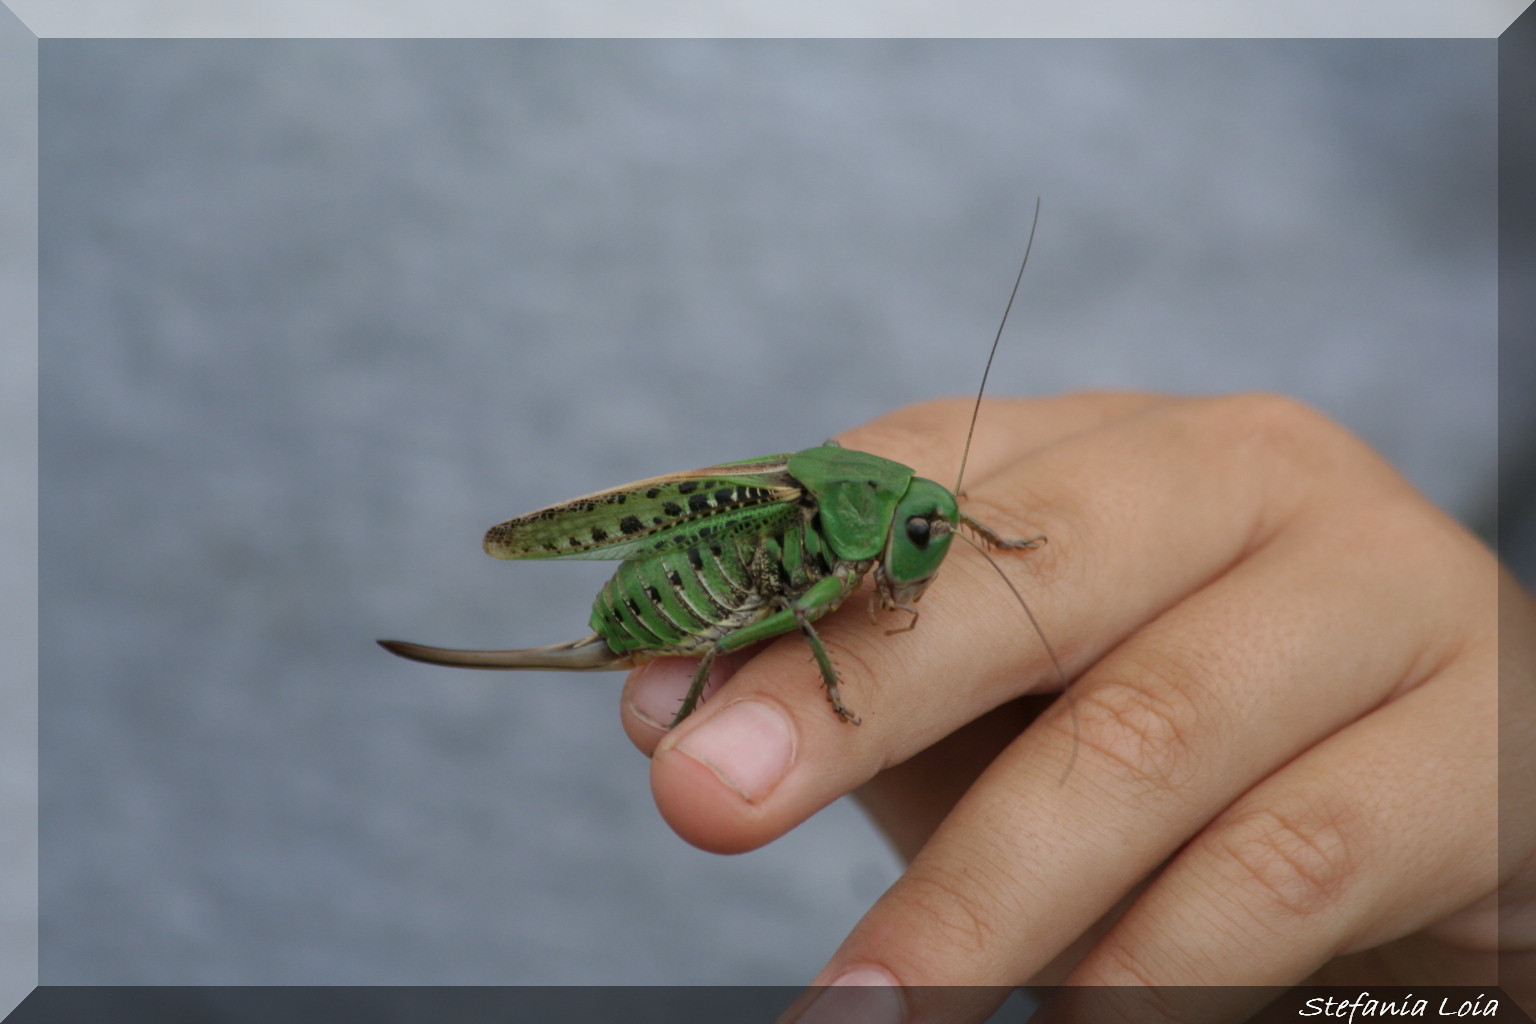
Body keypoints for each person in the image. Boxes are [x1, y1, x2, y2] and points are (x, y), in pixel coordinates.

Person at [619, 393, 1533, 1024]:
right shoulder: (830, 531)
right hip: (684, 584)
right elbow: (807, 604)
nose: (933, 544)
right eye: (926, 534)